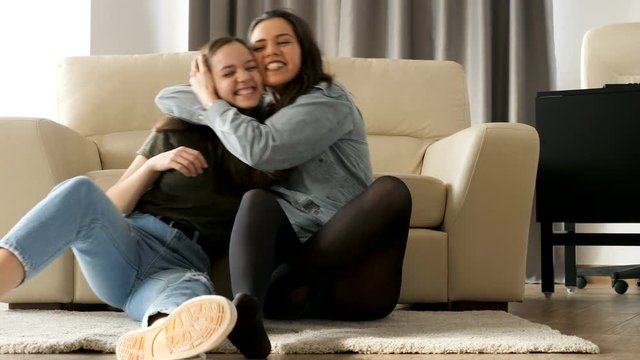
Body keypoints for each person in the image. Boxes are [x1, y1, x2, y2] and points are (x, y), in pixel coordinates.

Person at [156, 8, 413, 360]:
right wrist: (223, 89)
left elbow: (263, 150)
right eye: (259, 48)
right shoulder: (259, 106)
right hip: (295, 293)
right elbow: (168, 96)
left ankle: (279, 285)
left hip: (353, 281)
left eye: (283, 42)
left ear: (304, 49)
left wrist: (215, 101)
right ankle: (248, 314)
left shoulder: (327, 98)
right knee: (256, 199)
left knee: (391, 191)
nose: (271, 51)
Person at [0, 37, 275, 360]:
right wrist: (155, 165)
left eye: (250, 67)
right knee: (80, 190)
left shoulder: (264, 147)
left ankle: (163, 338)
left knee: (192, 297)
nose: (243, 76)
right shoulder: (175, 132)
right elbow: (113, 206)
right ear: (208, 84)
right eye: (229, 72)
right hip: (126, 245)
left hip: (179, 266)